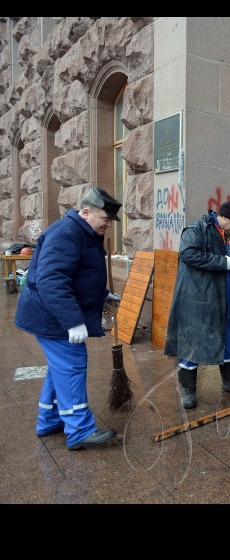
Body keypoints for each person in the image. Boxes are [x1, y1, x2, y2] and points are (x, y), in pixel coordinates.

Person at [14, 187, 122, 450]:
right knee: (72, 365)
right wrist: (73, 321)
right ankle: (79, 430)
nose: (109, 224)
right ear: (85, 212)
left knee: (59, 368)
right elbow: (52, 281)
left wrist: (103, 294)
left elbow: (79, 274)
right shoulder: (67, 234)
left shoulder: (83, 232)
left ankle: (49, 420)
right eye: (105, 219)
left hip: (50, 315)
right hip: (53, 318)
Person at [164, 200, 230, 409]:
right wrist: (221, 262)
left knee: (227, 341)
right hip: (197, 300)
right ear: (224, 217)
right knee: (192, 345)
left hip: (224, 299)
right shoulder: (196, 229)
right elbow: (188, 254)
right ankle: (188, 391)